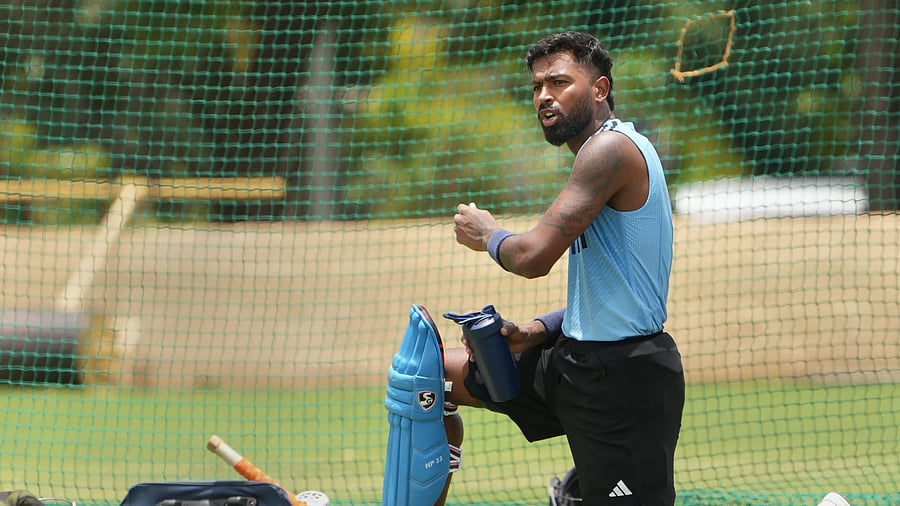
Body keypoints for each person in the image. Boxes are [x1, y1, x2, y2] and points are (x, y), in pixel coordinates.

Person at [440, 31, 685, 505]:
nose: (544, 96)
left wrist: (487, 234)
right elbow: (608, 291)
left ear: (600, 89)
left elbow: (533, 257)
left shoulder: (610, 150)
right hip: (572, 358)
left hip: (622, 377)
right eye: (537, 86)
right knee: (425, 376)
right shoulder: (596, 155)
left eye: (558, 82)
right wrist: (536, 330)